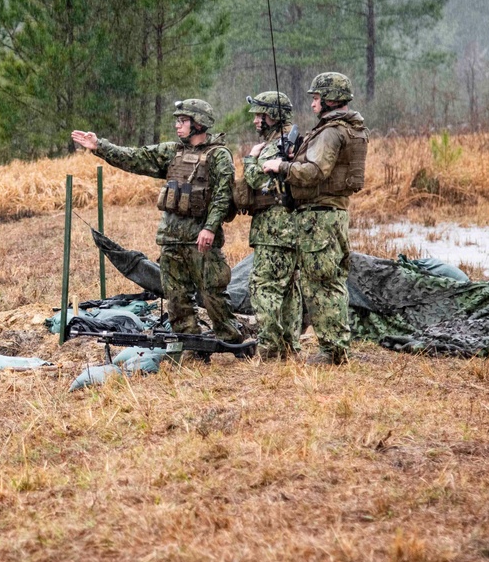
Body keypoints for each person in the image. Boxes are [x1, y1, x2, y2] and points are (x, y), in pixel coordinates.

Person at [71, 99, 243, 358]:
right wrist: (100, 146)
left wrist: (209, 228)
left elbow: (222, 197)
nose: (177, 125)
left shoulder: (219, 156)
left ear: (199, 124)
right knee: (176, 299)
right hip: (172, 238)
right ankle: (191, 346)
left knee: (212, 296)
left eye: (183, 121)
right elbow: (136, 158)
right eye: (177, 121)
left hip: (200, 239)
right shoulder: (172, 152)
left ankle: (237, 343)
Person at [262, 73, 368, 365]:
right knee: (328, 281)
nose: (312, 104)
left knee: (320, 283)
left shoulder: (332, 132)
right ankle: (335, 347)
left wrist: (281, 166)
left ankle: (333, 350)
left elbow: (315, 172)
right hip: (331, 215)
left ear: (330, 99)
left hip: (319, 219)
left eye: (316, 98)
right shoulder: (348, 129)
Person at [241, 91, 302, 360]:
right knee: (289, 289)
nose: (255, 120)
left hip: (274, 229)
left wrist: (250, 159)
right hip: (293, 227)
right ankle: (290, 345)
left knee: (264, 287)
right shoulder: (298, 140)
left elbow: (257, 179)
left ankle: (269, 347)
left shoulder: (274, 145)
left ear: (274, 116)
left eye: (260, 115)